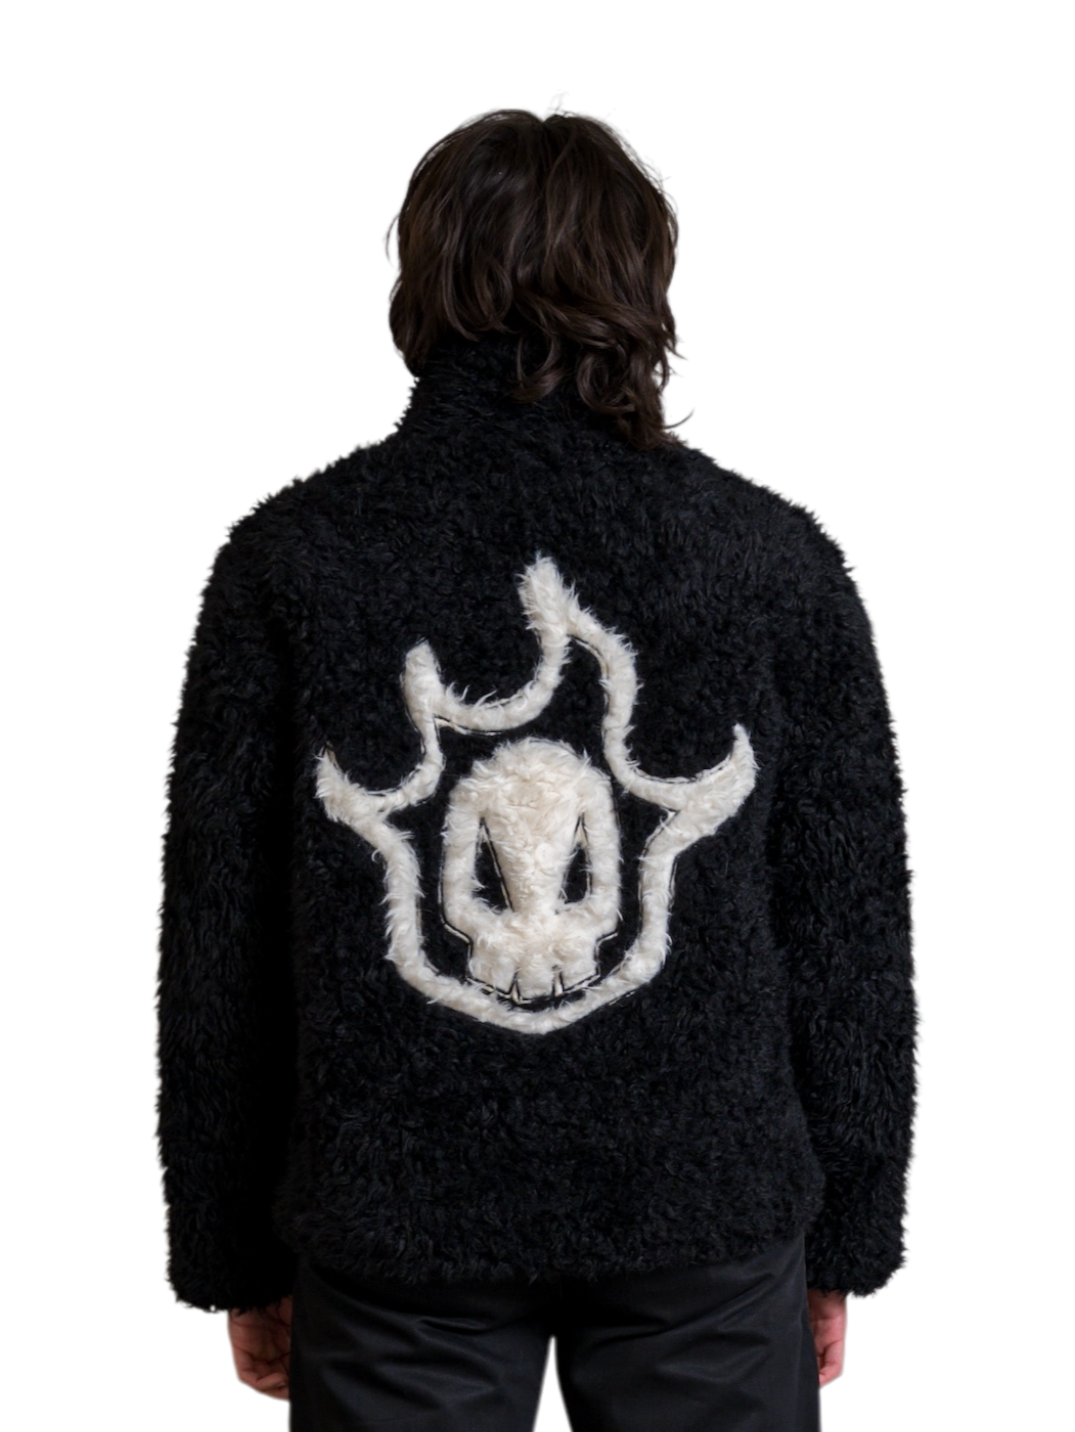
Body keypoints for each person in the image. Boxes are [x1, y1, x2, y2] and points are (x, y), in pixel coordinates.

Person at [154, 91, 922, 1430]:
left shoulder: (295, 556)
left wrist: (227, 1252)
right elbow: (849, 930)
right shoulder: (769, 558)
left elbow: (219, 948)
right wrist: (847, 1238)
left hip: (396, 1219)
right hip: (704, 1214)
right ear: (645, 280)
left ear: (420, 279)